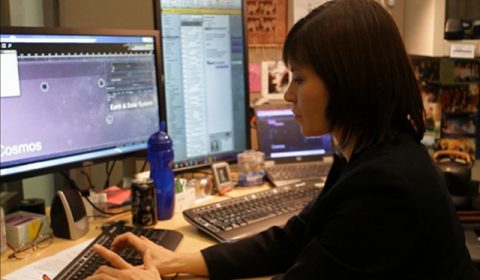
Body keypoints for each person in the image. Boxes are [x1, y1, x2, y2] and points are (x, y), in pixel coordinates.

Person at [87, 1, 479, 279]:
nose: (289, 95)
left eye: (300, 78)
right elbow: (294, 239)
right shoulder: (367, 151)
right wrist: (172, 263)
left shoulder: (386, 187)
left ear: (348, 83)